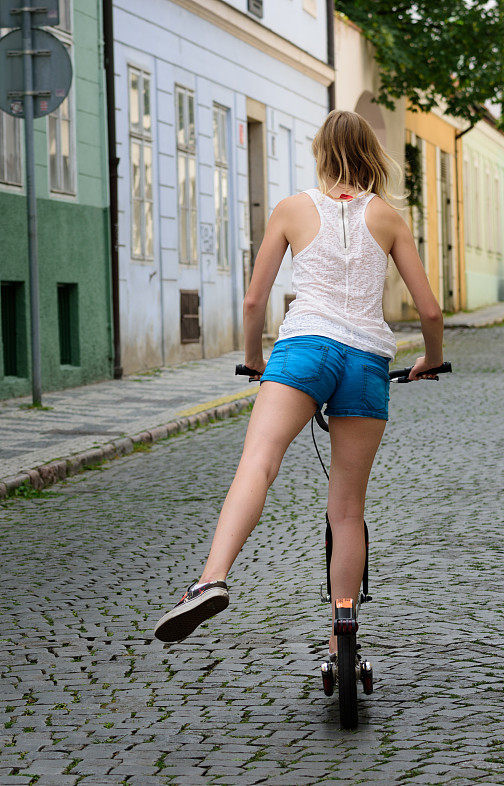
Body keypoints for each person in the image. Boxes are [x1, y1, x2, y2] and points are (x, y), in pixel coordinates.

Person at [153, 111, 444, 657]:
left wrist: (255, 360)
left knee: (258, 463)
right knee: (348, 509)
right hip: (366, 362)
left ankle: (211, 579)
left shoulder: (290, 209)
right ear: (370, 155)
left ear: (320, 153)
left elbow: (253, 302)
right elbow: (429, 309)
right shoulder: (387, 217)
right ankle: (344, 636)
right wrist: (430, 359)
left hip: (304, 350)